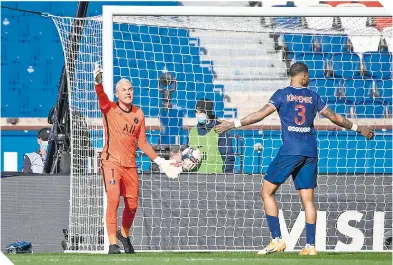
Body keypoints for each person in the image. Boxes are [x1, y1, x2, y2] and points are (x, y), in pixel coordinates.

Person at [215, 62, 374, 256]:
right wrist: (358, 128)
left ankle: (277, 240)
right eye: (308, 76)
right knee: (307, 199)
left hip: (290, 150)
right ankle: (310, 246)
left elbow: (259, 115)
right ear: (303, 76)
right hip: (310, 151)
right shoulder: (313, 97)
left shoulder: (281, 94)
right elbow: (335, 117)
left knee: (266, 193)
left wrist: (233, 124)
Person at [93, 63, 179, 254]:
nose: (128, 92)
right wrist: (98, 83)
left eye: (130, 89)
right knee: (113, 199)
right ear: (117, 94)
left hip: (130, 165)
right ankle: (113, 244)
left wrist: (160, 161)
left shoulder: (138, 114)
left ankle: (124, 234)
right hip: (111, 162)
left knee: (132, 205)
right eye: (124, 90)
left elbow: (143, 143)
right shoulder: (110, 108)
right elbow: (101, 96)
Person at [188, 99, 235, 173]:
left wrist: (227, 177)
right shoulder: (192, 131)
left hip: (215, 177)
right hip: (195, 178)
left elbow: (228, 157)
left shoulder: (220, 130)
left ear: (208, 113)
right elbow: (187, 154)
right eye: (196, 112)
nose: (198, 115)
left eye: (201, 112)